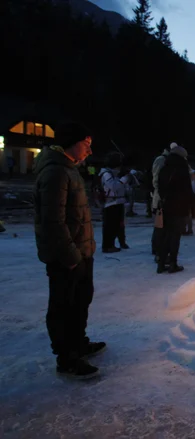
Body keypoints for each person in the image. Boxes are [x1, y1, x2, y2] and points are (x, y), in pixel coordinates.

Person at [34, 122, 105, 379]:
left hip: (81, 252)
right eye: (86, 145)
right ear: (73, 143)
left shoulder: (69, 170)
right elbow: (53, 221)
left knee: (81, 300)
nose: (89, 151)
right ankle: (66, 357)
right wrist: (71, 256)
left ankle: (78, 343)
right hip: (66, 256)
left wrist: (86, 250)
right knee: (64, 305)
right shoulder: (56, 173)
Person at [157, 145, 195, 274]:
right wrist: (191, 207)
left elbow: (159, 186)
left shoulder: (164, 168)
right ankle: (173, 263)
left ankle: (161, 263)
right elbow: (187, 191)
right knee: (175, 236)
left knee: (165, 235)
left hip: (166, 206)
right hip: (179, 208)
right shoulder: (182, 170)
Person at [99, 153, 128, 252]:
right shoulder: (107, 174)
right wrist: (123, 179)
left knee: (116, 225)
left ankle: (112, 244)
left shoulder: (112, 173)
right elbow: (113, 186)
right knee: (109, 226)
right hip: (110, 203)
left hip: (117, 202)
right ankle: (107, 246)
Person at [151, 143, 174, 258]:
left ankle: (161, 249)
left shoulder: (168, 160)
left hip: (165, 198)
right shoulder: (161, 160)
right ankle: (157, 249)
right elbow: (156, 180)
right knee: (160, 226)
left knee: (164, 226)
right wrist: (161, 196)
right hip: (160, 199)